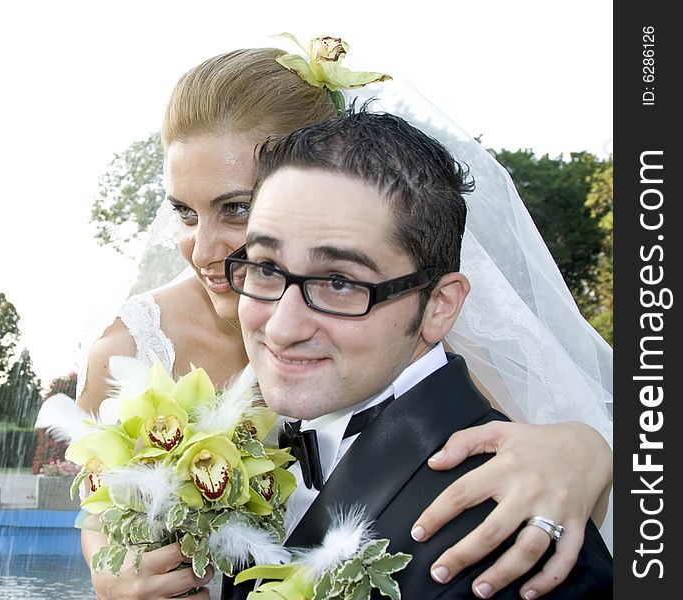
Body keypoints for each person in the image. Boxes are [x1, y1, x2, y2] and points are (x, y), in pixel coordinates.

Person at [75, 43, 613, 599]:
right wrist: (112, 575)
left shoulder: (407, 325)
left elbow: (500, 452)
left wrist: (584, 450)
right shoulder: (129, 349)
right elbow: (101, 519)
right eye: (184, 212)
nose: (204, 250)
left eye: (237, 208)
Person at [226, 107, 612, 598]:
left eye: (340, 282)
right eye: (264, 267)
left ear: (439, 307)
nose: (281, 328)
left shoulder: (515, 539)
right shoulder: (239, 454)